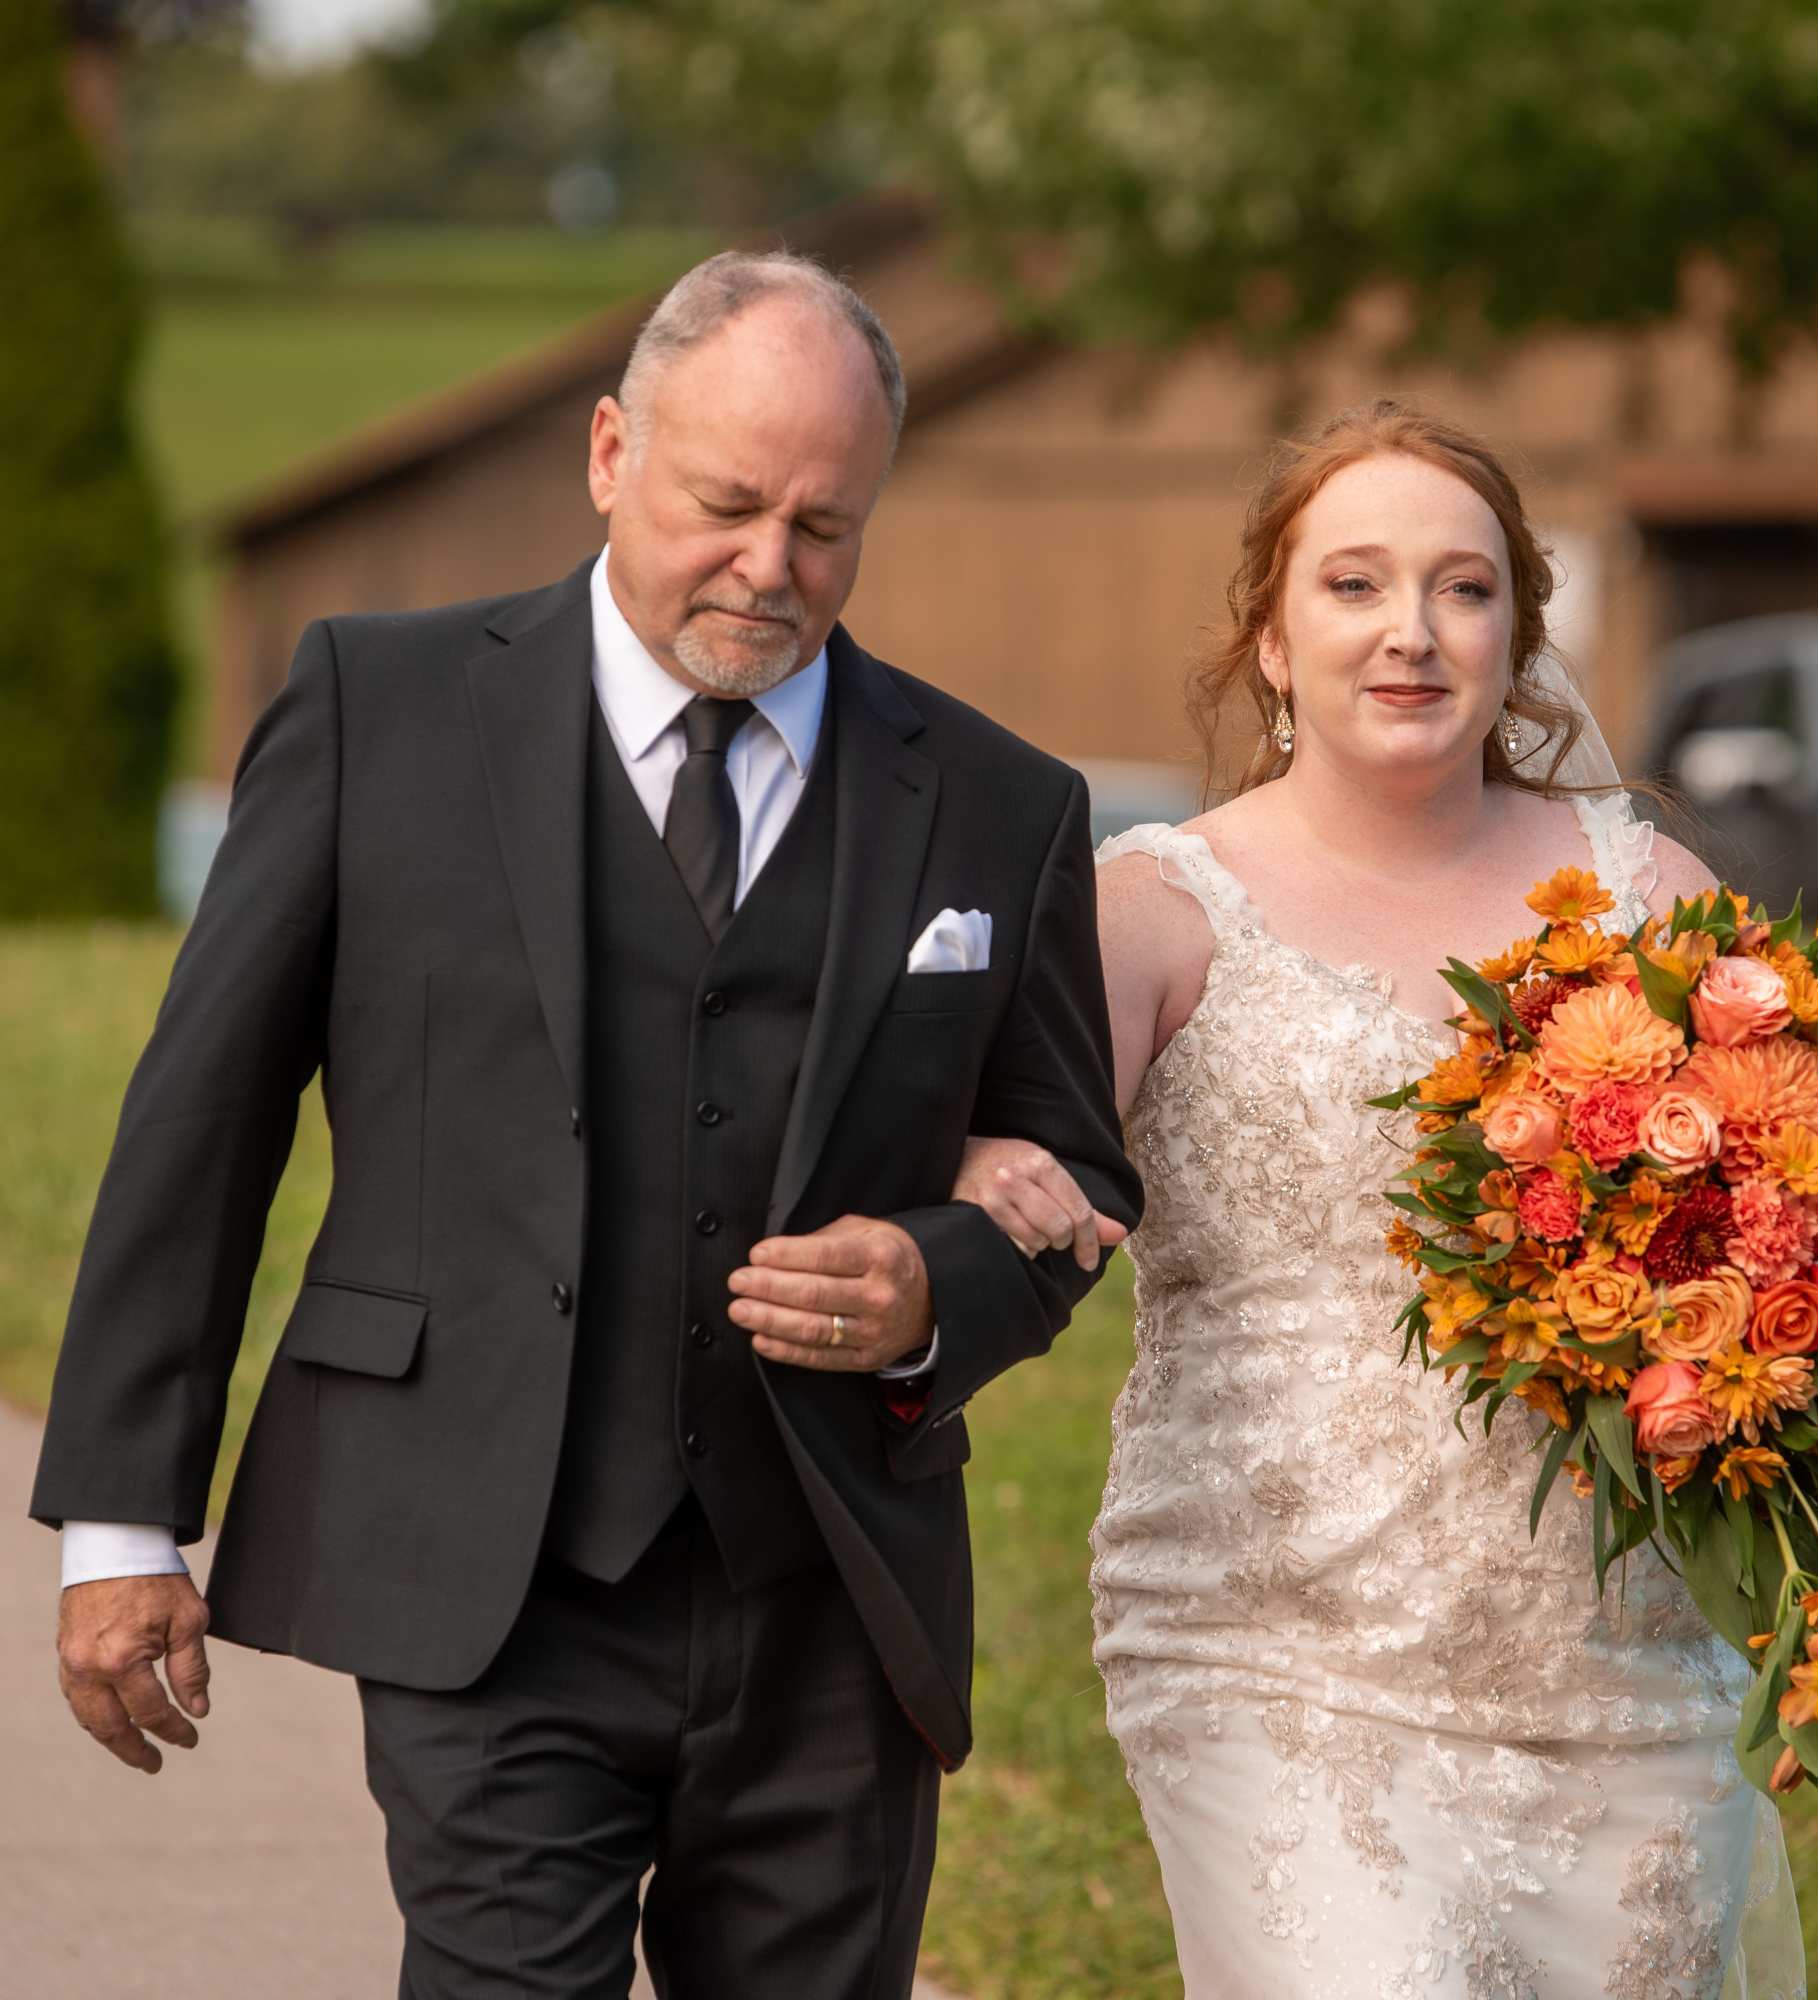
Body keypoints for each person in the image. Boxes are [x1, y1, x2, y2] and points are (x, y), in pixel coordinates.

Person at [31, 249, 1141, 2000]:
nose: (770, 568)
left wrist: (936, 1289)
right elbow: (204, 1119)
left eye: (827, 527)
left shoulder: (1001, 800)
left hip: (834, 1591)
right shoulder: (371, 708)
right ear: (613, 449)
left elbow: (1073, 1167)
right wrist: (119, 1524)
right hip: (488, 1573)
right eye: (726, 503)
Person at [953, 402, 1808, 1997]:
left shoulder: (1654, 900)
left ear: (1516, 634)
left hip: (1613, 1673)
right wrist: (987, 1178)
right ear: (1270, 641)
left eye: (1463, 589)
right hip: (1273, 1654)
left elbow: (1782, 1223)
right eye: (1354, 586)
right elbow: (1001, 1150)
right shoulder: (1152, 909)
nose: (1411, 633)